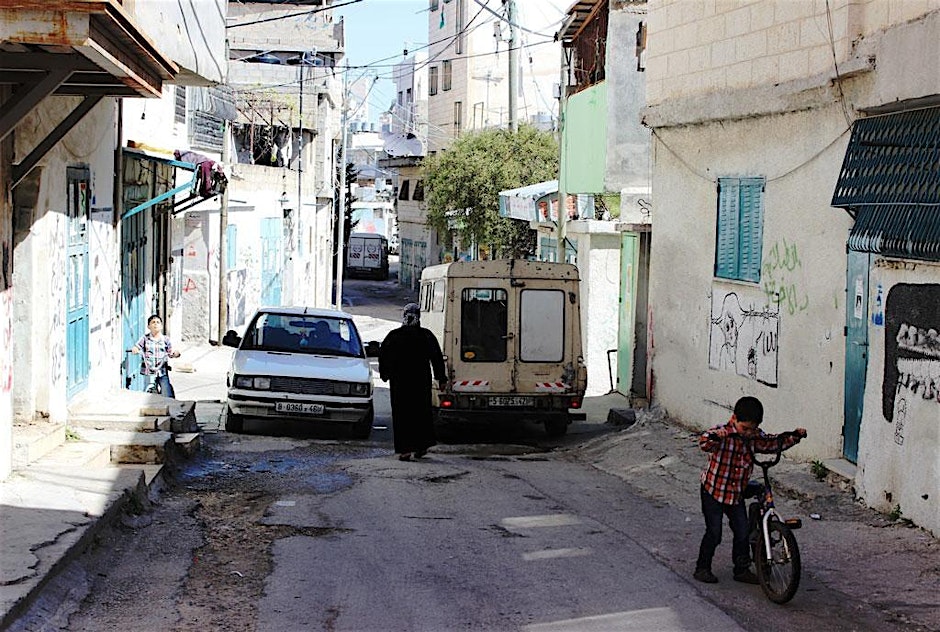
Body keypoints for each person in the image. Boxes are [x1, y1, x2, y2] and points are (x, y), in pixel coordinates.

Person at [693, 396, 806, 585]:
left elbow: (770, 442)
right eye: (744, 428)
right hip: (713, 491)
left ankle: (741, 569)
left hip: (735, 492)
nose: (747, 433)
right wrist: (714, 437)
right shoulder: (723, 433)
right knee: (714, 532)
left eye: (752, 429)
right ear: (734, 418)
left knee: (743, 531)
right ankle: (702, 568)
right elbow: (705, 442)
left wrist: (794, 437)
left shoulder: (753, 436)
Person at [379, 303, 446, 461]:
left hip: (400, 384)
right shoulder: (426, 336)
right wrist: (441, 378)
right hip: (420, 383)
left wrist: (385, 374)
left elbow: (384, 356)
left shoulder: (394, 336)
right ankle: (420, 447)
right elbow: (436, 358)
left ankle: (405, 450)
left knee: (402, 416)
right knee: (420, 414)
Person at [130, 314, 181, 398]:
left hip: (161, 370)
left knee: (166, 392)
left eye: (158, 322)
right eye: (153, 322)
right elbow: (137, 346)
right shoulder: (145, 338)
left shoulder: (165, 339)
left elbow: (170, 352)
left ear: (161, 326)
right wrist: (135, 349)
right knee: (146, 393)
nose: (155, 324)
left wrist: (175, 353)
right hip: (148, 370)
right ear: (149, 326)